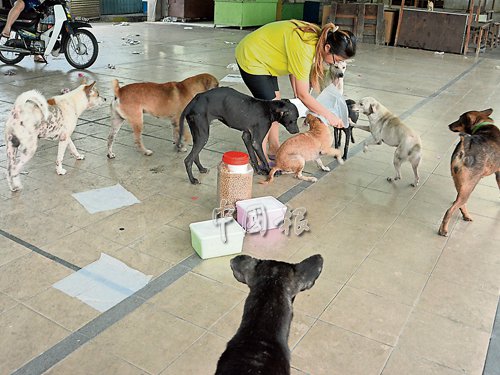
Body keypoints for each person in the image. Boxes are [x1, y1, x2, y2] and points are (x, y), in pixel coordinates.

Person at [235, 20, 356, 162]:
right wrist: (330, 116)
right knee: (267, 112)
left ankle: (273, 147)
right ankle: (260, 157)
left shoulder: (318, 39)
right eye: (337, 59)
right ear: (328, 48)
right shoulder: (305, 47)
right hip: (252, 56)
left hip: (267, 57)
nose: (336, 64)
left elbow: (296, 71)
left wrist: (298, 96)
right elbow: (303, 94)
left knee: (276, 103)